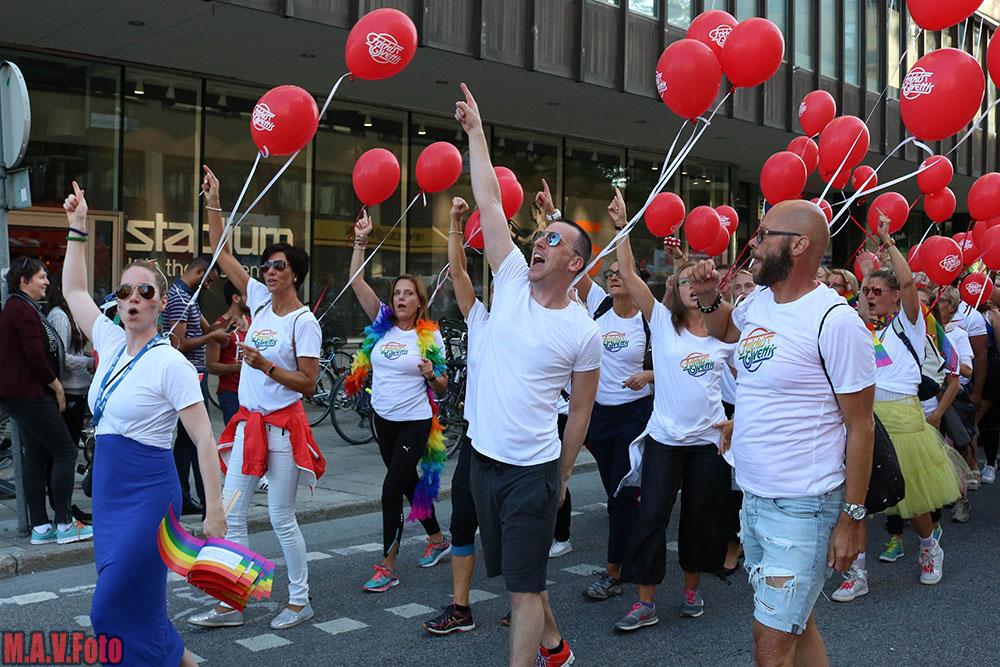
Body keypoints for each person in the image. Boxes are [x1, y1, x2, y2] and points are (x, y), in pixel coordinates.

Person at [690, 199, 874, 665]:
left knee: (770, 646)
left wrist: (852, 518)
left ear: (798, 245)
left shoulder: (835, 321)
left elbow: (861, 425)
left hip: (803, 507)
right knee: (799, 623)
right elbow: (726, 331)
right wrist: (709, 296)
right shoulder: (758, 302)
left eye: (763, 234)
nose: (751, 243)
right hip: (754, 497)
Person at [456, 83, 602, 667]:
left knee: (521, 590)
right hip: (481, 460)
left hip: (531, 473)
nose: (540, 240)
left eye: (553, 239)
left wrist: (562, 475)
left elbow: (581, 411)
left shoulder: (583, 332)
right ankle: (557, 649)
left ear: (574, 262)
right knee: (525, 579)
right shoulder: (513, 276)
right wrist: (476, 134)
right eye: (541, 235)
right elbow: (490, 200)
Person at [61, 181, 226, 666]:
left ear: (160, 302)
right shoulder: (111, 341)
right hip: (109, 495)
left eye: (145, 291)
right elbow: (73, 289)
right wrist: (77, 227)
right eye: (125, 291)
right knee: (139, 606)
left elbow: (203, 438)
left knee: (108, 608)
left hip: (150, 493)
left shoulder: (170, 363)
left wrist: (214, 510)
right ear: (118, 301)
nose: (133, 298)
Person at [189, 165, 325, 630]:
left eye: (278, 266)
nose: (268, 271)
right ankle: (231, 603)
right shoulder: (260, 300)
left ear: (295, 274)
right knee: (231, 514)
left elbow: (308, 383)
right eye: (266, 265)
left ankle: (300, 600)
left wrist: (264, 365)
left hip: (283, 428)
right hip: (248, 425)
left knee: (282, 518)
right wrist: (214, 200)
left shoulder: (304, 321)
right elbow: (221, 252)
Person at [608, 189, 735, 631]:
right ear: (675, 292)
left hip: (707, 442)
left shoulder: (724, 334)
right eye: (682, 283)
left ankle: (691, 591)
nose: (689, 288)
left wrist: (737, 420)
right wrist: (623, 224)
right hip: (664, 437)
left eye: (694, 283)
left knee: (701, 519)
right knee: (651, 517)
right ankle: (644, 603)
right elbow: (628, 271)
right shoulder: (661, 323)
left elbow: (759, 382)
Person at [834, 213, 961, 601]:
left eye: (877, 290)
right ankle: (856, 573)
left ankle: (929, 548)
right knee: (856, 496)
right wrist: (865, 280)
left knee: (911, 496)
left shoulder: (909, 322)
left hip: (904, 417)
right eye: (866, 290)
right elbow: (859, 308)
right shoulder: (861, 324)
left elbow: (907, 282)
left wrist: (888, 242)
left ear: (893, 296)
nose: (870, 295)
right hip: (865, 416)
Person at [347, 210, 451, 592]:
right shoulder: (384, 324)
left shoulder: (429, 336)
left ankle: (387, 566)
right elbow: (356, 281)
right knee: (406, 483)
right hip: (383, 420)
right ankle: (438, 539)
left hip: (414, 422)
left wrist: (431, 374)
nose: (401, 298)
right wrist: (361, 241)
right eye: (397, 293)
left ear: (420, 301)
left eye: (408, 293)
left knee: (390, 491)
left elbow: (443, 387)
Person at [423, 196, 489, 634]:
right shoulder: (480, 320)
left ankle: (527, 605)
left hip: (518, 454)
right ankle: (461, 608)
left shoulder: (536, 329)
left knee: (514, 534)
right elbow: (460, 272)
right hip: (476, 446)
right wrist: (454, 224)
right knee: (462, 525)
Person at [0, 257, 91, 546]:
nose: (47, 282)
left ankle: (40, 527)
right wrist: (58, 387)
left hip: (27, 394)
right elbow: (35, 356)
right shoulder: (21, 310)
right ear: (23, 281)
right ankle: (64, 524)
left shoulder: (25, 307)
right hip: (31, 395)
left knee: (36, 458)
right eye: (41, 277)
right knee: (65, 452)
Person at [165, 255, 230, 515]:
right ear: (200, 272)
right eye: (209, 280)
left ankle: (185, 498)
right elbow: (177, 343)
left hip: (195, 374)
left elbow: (209, 329)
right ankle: (204, 502)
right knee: (199, 438)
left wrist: (231, 320)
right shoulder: (180, 298)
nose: (210, 286)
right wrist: (212, 338)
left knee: (187, 440)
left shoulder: (188, 297)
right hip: (189, 375)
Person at [47, 277, 96, 450]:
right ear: (60, 288)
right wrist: (90, 362)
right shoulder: (59, 316)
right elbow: (62, 357)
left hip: (77, 390)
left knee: (71, 445)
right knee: (67, 449)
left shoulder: (71, 313)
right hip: (68, 391)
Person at [207, 280, 251, 427]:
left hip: (253, 392)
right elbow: (211, 366)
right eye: (247, 295)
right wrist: (239, 367)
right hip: (231, 393)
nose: (252, 298)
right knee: (235, 438)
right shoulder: (219, 327)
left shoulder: (253, 323)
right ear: (236, 298)